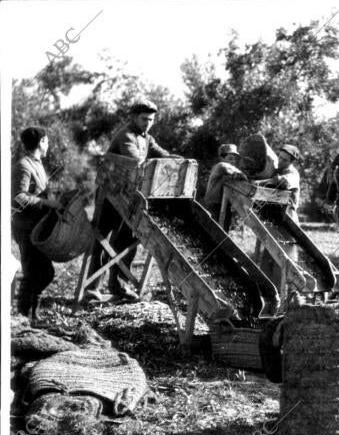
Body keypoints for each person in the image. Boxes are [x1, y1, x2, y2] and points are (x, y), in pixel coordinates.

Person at [84, 99, 181, 302]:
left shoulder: (147, 138)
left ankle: (119, 285)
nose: (147, 123)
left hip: (131, 197)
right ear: (134, 117)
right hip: (111, 194)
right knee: (102, 238)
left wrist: (175, 160)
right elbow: (135, 161)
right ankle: (92, 288)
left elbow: (160, 153)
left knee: (129, 239)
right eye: (144, 119)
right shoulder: (125, 135)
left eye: (151, 120)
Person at [11, 126, 63, 320]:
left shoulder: (37, 164)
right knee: (33, 272)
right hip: (25, 228)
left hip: (37, 227)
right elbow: (19, 197)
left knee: (46, 272)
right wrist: (48, 203)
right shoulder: (23, 166)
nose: (48, 145)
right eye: (47, 141)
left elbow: (36, 191)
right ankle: (25, 317)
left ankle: (33, 314)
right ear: (41, 142)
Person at [256, 144, 301, 222]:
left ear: (292, 162)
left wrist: (258, 183)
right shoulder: (278, 169)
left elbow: (282, 181)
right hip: (273, 213)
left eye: (285, 160)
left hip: (288, 215)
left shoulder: (293, 173)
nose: (280, 161)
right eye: (280, 157)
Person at [202, 143, 248, 218]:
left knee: (224, 229)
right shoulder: (220, 166)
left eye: (234, 159)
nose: (233, 161)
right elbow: (227, 168)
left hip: (225, 206)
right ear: (222, 158)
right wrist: (244, 176)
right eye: (230, 158)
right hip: (214, 206)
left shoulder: (230, 174)